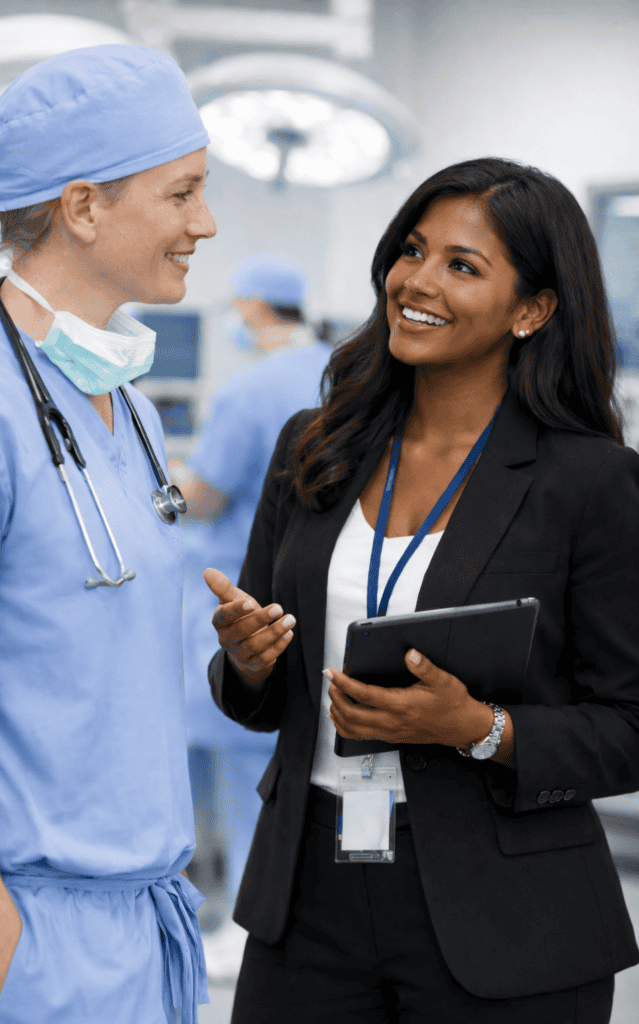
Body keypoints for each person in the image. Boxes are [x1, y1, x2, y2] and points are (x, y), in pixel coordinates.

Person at [203, 157, 639, 1023]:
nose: (417, 281)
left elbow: (628, 724)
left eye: (461, 265)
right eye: (411, 249)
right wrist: (248, 662)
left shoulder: (588, 481)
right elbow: (258, 696)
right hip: (306, 893)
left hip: (504, 915)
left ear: (531, 310)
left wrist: (479, 728)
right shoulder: (315, 446)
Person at [0, 45, 216, 1024]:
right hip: (27, 942)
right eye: (182, 192)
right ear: (83, 207)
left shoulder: (125, 405)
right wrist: (3, 960)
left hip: (142, 926)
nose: (204, 223)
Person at [172, 255, 330, 980]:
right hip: (318, 595)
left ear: (256, 307)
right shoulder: (344, 373)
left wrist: (158, 478)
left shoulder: (251, 389)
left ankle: (243, 916)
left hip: (242, 594)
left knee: (240, 763)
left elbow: (205, 497)